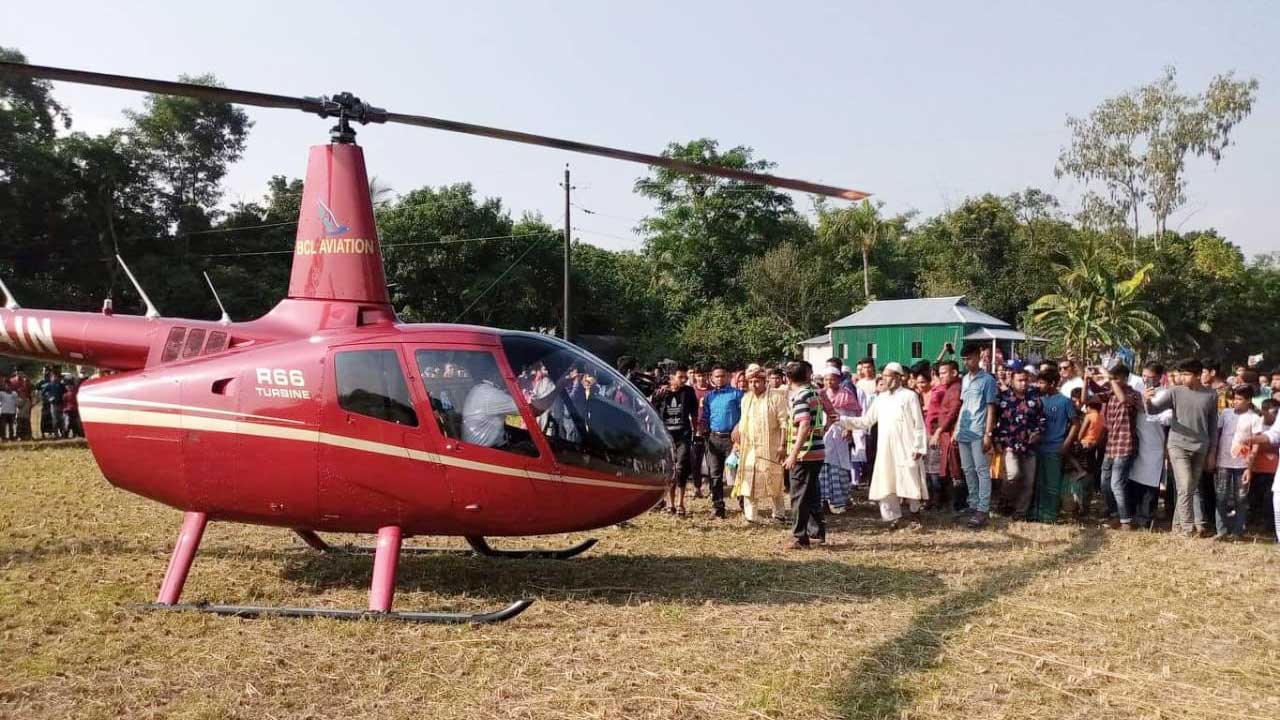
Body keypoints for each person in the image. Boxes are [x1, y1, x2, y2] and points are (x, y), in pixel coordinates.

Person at [839, 362, 929, 531]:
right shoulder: (881, 398)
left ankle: (915, 514)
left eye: (888, 376)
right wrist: (842, 421)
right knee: (887, 481)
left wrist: (918, 446)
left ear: (898, 377)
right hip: (886, 448)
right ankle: (893, 517)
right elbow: (866, 421)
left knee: (910, 478)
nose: (885, 379)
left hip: (906, 446)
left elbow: (918, 423)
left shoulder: (910, 396)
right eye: (884, 376)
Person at [1145, 358, 1219, 537]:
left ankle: (1177, 526)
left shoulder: (1211, 395)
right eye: (1181, 374)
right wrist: (1147, 401)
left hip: (1201, 447)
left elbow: (1212, 426)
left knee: (1189, 489)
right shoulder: (1174, 392)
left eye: (1186, 374)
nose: (1182, 377)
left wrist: (1212, 453)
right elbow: (1154, 410)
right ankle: (1187, 528)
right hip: (1177, 444)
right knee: (1185, 485)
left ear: (1198, 375)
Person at [732, 364, 789, 524]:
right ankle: (751, 516)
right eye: (751, 382)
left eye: (757, 381)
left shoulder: (776, 397)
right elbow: (744, 421)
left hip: (771, 446)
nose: (753, 385)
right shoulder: (746, 399)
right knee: (748, 479)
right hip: (749, 448)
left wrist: (782, 445)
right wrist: (737, 434)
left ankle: (779, 514)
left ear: (765, 381)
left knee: (774, 480)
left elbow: (784, 423)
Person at [1093, 363, 1143, 529]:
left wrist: (1108, 377)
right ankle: (1115, 514)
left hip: (1126, 444)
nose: (1112, 381)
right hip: (1111, 444)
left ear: (1124, 378)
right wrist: (1086, 378)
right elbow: (1087, 398)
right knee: (1104, 483)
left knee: (1116, 483)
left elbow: (1122, 399)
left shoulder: (1133, 394)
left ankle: (1125, 520)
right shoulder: (1109, 394)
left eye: (1115, 378)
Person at [993, 361, 1046, 519]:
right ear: (1012, 380)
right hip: (1009, 445)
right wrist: (996, 441)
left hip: (1029, 447)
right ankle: (1004, 503)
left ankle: (1020, 512)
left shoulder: (1035, 399)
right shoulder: (1003, 399)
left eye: (1025, 380)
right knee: (1012, 476)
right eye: (1019, 380)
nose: (1023, 383)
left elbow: (1042, 420)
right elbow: (994, 420)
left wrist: (1037, 433)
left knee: (1029, 482)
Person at [782, 361, 826, 549]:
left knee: (799, 495)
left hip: (804, 453)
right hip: (816, 451)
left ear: (788, 378)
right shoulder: (814, 393)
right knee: (812, 493)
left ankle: (800, 537)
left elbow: (804, 424)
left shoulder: (799, 396)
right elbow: (829, 416)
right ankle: (816, 533)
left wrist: (793, 454)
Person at [956, 345, 998, 528]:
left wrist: (988, 434)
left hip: (979, 430)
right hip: (964, 431)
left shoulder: (987, 380)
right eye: (964, 359)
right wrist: (957, 429)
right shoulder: (965, 379)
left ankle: (983, 508)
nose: (966, 362)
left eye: (969, 358)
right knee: (967, 469)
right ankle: (973, 503)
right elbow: (963, 406)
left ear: (977, 356)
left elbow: (991, 408)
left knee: (982, 470)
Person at [1214, 386, 1264, 541]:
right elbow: (1218, 434)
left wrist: (1249, 467)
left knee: (1240, 498)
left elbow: (1256, 444)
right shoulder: (1226, 414)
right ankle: (1221, 531)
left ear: (1248, 401)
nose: (1235, 402)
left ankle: (1238, 532)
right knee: (1221, 496)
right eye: (1234, 398)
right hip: (1223, 462)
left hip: (1242, 465)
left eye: (1239, 399)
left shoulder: (1254, 418)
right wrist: (1213, 456)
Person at [1031, 368, 1079, 523]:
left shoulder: (1064, 401)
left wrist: (1066, 443)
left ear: (1052, 383)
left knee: (1052, 483)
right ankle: (1038, 513)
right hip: (1039, 448)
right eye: (1038, 382)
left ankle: (1051, 515)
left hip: (1055, 448)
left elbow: (1075, 424)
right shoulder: (1039, 400)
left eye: (1042, 382)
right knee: (1039, 482)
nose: (1039, 385)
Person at [1130, 363, 1172, 530]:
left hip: (1155, 445)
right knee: (1135, 482)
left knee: (1150, 484)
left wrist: (1146, 407)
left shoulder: (1165, 394)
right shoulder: (1139, 389)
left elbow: (1167, 418)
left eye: (1151, 376)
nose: (1146, 379)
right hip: (1138, 442)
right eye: (1144, 375)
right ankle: (1133, 516)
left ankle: (1146, 519)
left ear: (1160, 377)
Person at [817, 366, 865, 514]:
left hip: (840, 433)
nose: (829, 382)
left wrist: (849, 429)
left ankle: (840, 500)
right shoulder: (820, 394)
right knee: (823, 466)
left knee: (840, 465)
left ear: (839, 379)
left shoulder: (847, 394)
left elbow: (854, 414)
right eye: (826, 379)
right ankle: (823, 501)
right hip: (825, 433)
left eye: (832, 379)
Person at [653, 366, 699, 517]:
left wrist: (696, 429)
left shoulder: (689, 391)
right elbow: (652, 410)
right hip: (666, 437)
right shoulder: (661, 392)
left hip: (683, 435)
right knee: (670, 470)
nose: (684, 380)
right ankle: (670, 504)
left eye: (685, 378)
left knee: (681, 468)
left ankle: (680, 503)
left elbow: (694, 413)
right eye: (680, 377)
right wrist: (657, 396)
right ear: (672, 377)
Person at [701, 366, 745, 519]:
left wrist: (738, 427)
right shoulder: (709, 397)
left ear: (727, 377)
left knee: (737, 473)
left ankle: (744, 505)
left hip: (732, 440)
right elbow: (705, 416)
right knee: (715, 474)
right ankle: (718, 507)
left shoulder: (737, 394)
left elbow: (745, 415)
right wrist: (702, 428)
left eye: (722, 376)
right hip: (714, 439)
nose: (719, 379)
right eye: (716, 376)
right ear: (712, 378)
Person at [929, 359, 965, 512]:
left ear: (954, 373)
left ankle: (958, 505)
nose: (941, 376)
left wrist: (939, 430)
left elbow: (954, 412)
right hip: (946, 435)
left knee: (955, 471)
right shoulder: (950, 388)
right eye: (940, 373)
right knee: (950, 471)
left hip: (951, 435)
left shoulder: (956, 389)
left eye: (944, 373)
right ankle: (952, 505)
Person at [1243, 399, 1277, 542]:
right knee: (1254, 499)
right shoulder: (1258, 425)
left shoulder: (1276, 426)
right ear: (1264, 410)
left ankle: (1270, 527)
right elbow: (1253, 445)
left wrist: (1262, 443)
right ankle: (1254, 524)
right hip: (1257, 468)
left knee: (1270, 501)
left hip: (1274, 470)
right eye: (1273, 411)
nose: (1275, 414)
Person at [689, 366, 712, 499]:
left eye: (703, 375)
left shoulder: (712, 391)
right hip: (695, 429)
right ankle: (697, 488)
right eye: (698, 375)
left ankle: (711, 487)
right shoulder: (691, 391)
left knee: (711, 461)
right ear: (695, 376)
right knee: (695, 460)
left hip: (710, 430)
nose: (701, 378)